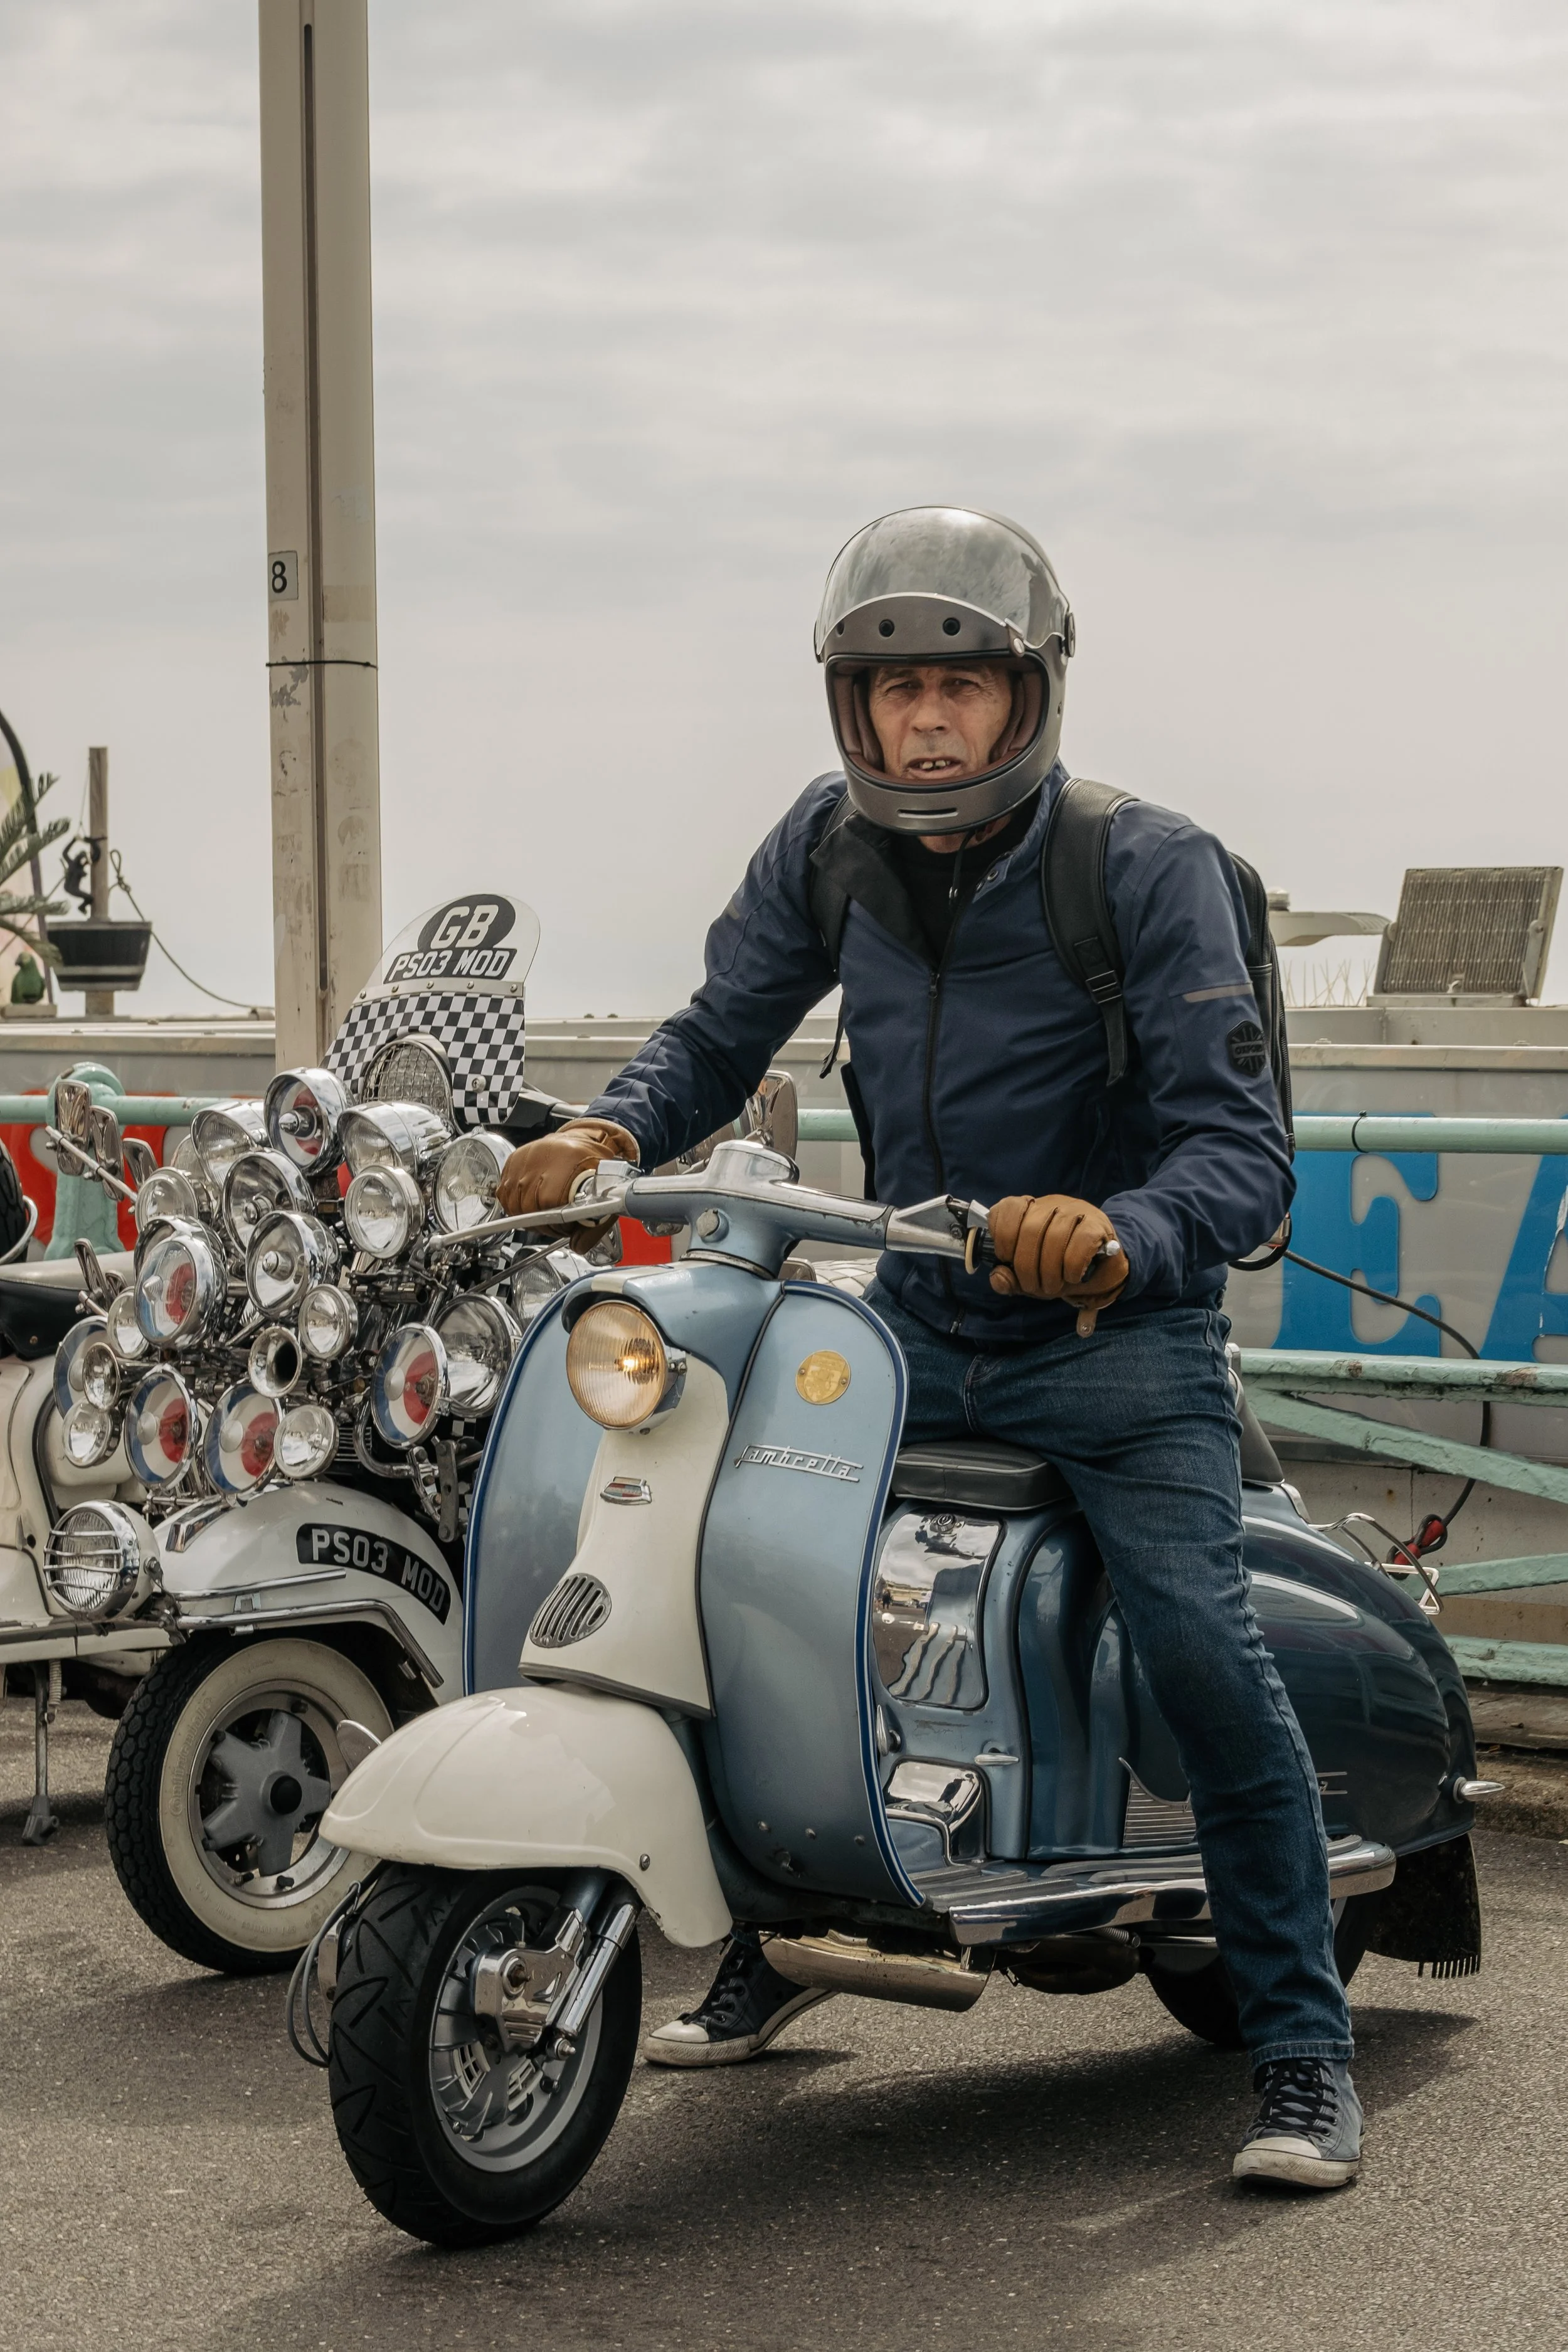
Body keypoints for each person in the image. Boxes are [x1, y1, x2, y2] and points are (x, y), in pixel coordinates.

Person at [497, 506, 1362, 2192]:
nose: (924, 721)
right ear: (848, 708)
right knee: (754, 1580)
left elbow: (1239, 1148)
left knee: (1196, 1645)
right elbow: (717, 1028)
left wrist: (1117, 1230)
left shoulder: (1140, 865)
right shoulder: (830, 847)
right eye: (890, 692)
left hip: (1114, 1346)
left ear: (1026, 693)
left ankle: (1299, 2046)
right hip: (904, 1324)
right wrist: (604, 1132)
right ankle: (767, 1923)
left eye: (960, 682)